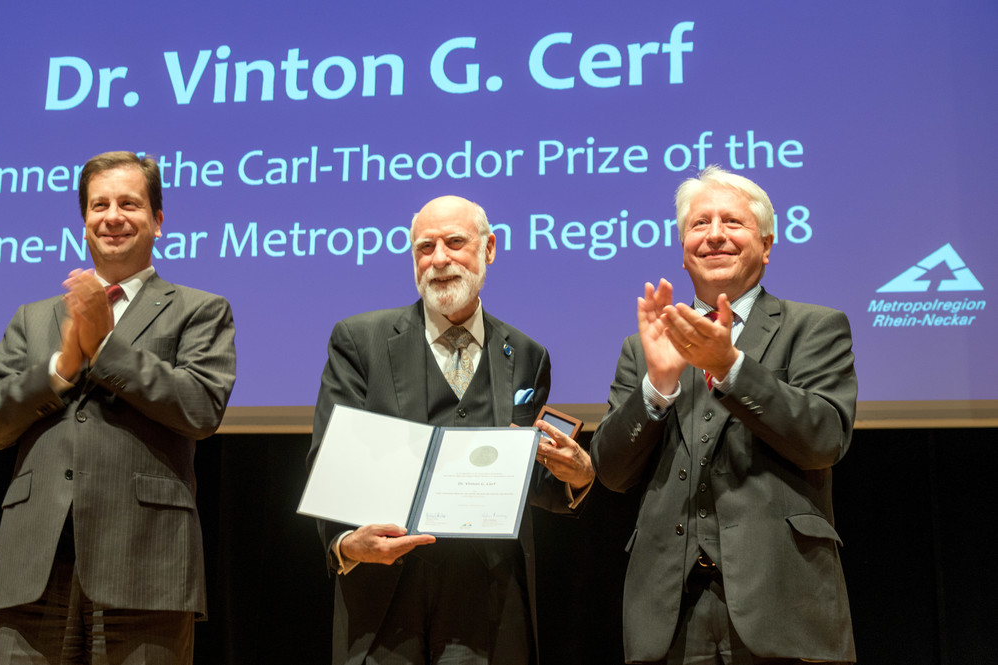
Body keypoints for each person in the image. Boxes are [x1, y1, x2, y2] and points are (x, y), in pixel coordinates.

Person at [0, 151, 237, 664]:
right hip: (34, 568)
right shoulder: (34, 317)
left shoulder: (199, 309)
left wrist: (107, 348)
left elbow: (200, 408)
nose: (112, 216)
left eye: (129, 204)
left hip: (146, 565)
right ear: (84, 221)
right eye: (99, 205)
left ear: (158, 220)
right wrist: (62, 366)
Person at [309, 195, 595, 665]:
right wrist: (344, 544)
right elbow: (329, 458)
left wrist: (577, 475)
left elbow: (530, 478)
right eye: (425, 247)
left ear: (489, 249)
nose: (439, 259)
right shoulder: (360, 341)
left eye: (455, 243)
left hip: (490, 597)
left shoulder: (526, 354)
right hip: (385, 593)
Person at [591, 166, 857, 664]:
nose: (714, 235)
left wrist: (731, 368)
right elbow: (611, 471)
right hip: (669, 616)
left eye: (732, 223)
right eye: (699, 224)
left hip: (782, 603)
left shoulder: (814, 327)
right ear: (682, 246)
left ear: (767, 243)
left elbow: (823, 440)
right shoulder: (645, 345)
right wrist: (658, 386)